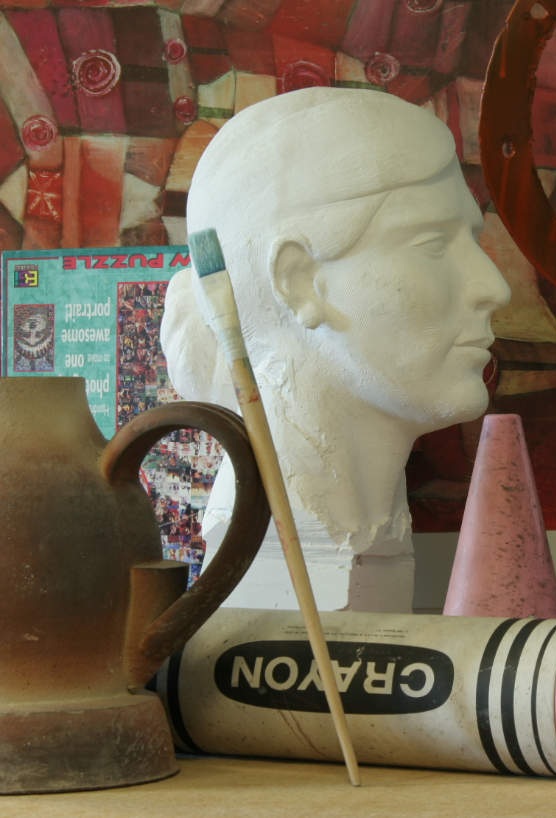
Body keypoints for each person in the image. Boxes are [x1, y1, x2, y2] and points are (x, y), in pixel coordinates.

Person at [161, 88, 511, 612]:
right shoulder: (271, 541)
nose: (495, 288)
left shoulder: (374, 521)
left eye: (473, 241)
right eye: (433, 244)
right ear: (298, 282)